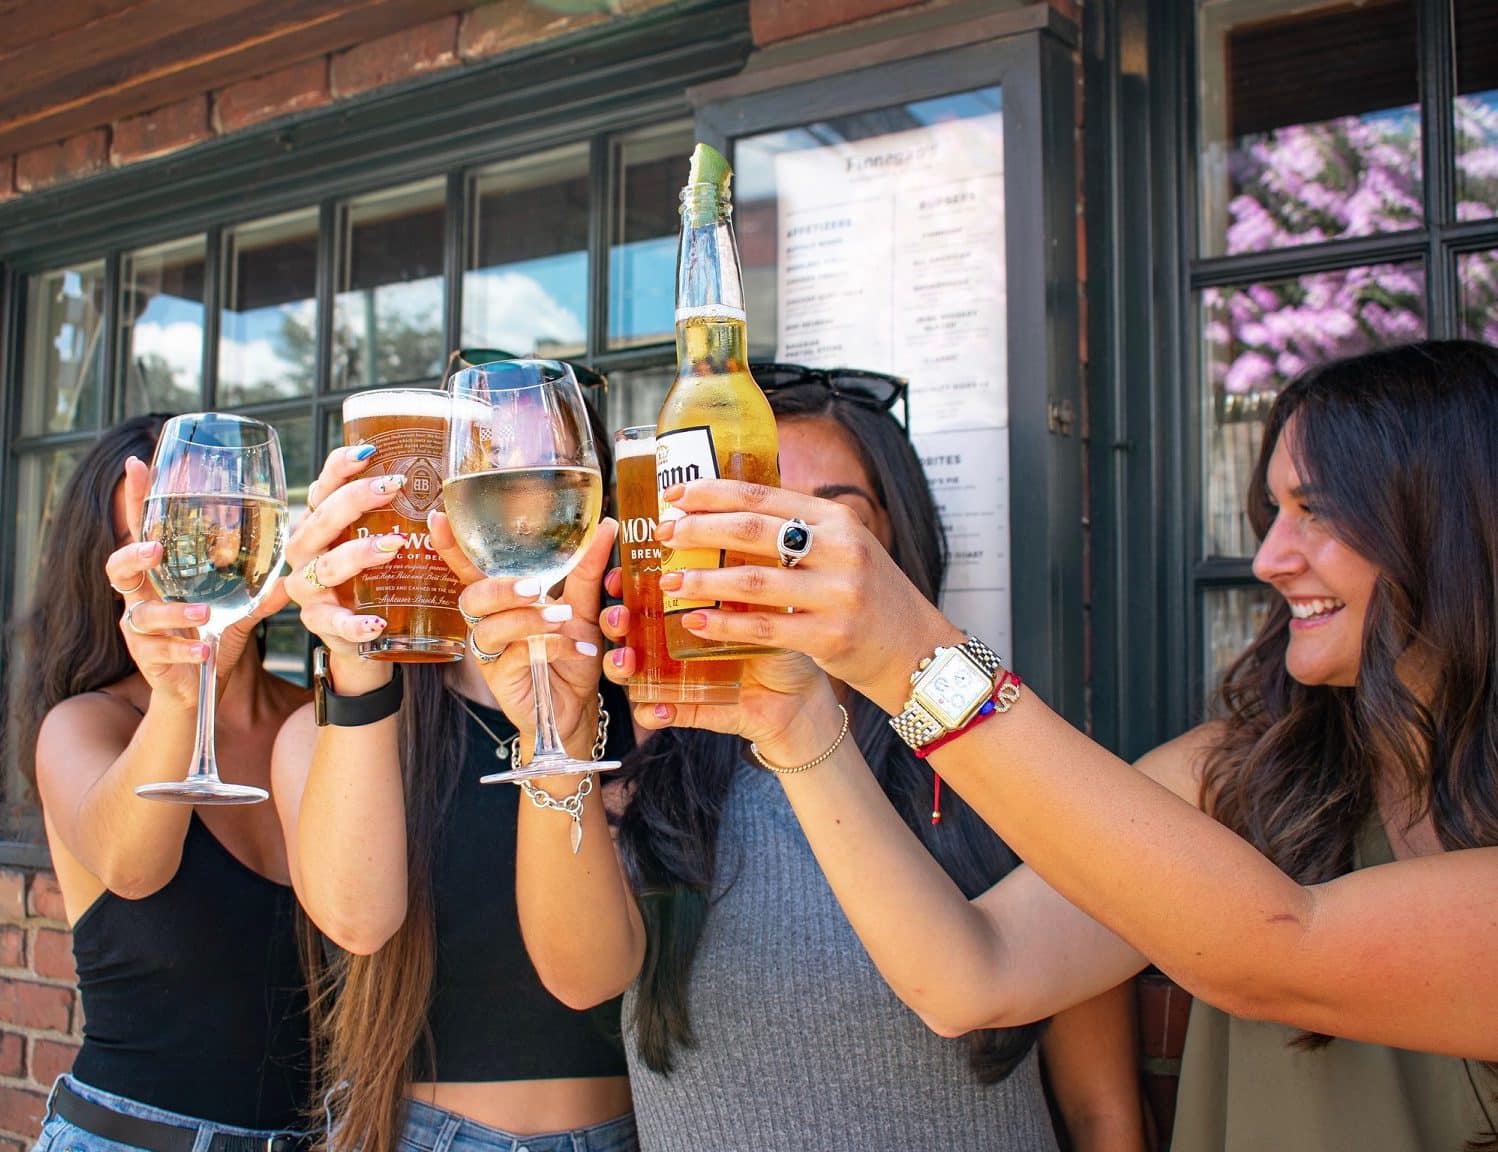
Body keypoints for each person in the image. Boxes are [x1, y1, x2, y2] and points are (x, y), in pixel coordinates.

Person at [633, 340, 1498, 1151]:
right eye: (1272, 510)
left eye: (1319, 513)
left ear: (1454, 525)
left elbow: (1272, 954)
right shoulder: (1231, 771)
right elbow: (970, 981)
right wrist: (801, 726)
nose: (1270, 558)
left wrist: (913, 657)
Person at [464, 367, 1145, 1151]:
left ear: (894, 538)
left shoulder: (997, 764)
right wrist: (561, 732)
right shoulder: (659, 782)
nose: (780, 549)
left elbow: (1102, 1113)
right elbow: (581, 976)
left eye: (822, 516)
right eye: (746, 512)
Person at [271, 385, 637, 1152]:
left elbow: (590, 977)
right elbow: (357, 921)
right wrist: (358, 658)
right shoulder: (339, 726)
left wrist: (557, 725)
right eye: (492, 455)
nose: (524, 486)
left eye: (552, 458)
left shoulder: (653, 710)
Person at [13, 414, 314, 1152]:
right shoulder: (86, 724)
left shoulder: (323, 723)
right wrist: (181, 691)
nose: (184, 564)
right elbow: (132, 868)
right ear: (109, 568)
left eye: (201, 528)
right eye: (147, 543)